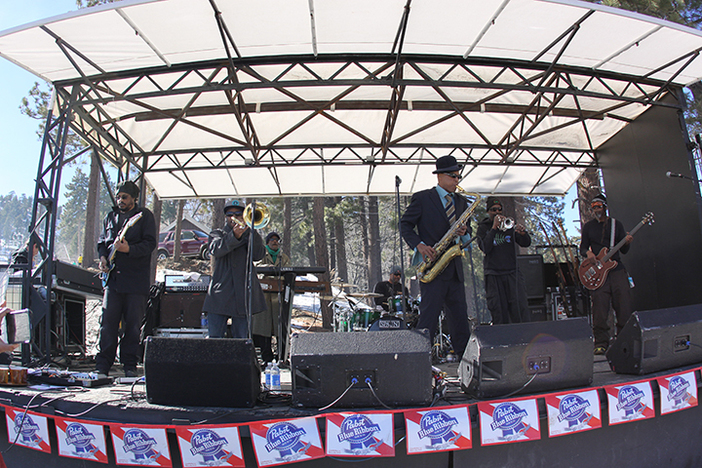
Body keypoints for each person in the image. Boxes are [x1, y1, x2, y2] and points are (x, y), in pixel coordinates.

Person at [400, 155, 472, 359]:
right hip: (433, 267)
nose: (457, 181)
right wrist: (420, 246)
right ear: (439, 176)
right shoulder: (423, 198)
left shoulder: (462, 201)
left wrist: (464, 231)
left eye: (459, 176)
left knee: (460, 321)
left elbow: (469, 233)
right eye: (453, 176)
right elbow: (405, 225)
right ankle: (419, 362)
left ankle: (466, 363)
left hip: (455, 268)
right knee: (428, 319)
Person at [96, 181, 157, 377]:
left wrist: (129, 249)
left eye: (124, 197)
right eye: (118, 196)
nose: (120, 200)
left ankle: (129, 365)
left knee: (132, 326)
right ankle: (103, 364)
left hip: (135, 282)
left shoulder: (144, 216)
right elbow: (102, 242)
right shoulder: (110, 217)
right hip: (113, 281)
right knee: (108, 324)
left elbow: (150, 244)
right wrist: (103, 258)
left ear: (134, 198)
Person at [203, 200, 266, 339]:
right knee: (215, 340)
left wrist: (251, 231)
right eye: (230, 214)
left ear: (244, 216)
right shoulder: (217, 234)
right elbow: (216, 249)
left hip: (243, 297)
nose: (234, 217)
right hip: (219, 297)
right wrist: (234, 236)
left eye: (238, 214)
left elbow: (259, 255)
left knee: (241, 341)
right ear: (226, 217)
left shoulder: (250, 234)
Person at [580, 193, 633, 355]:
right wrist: (588, 255)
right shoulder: (588, 227)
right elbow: (583, 248)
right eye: (593, 206)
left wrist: (627, 243)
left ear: (605, 207)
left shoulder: (616, 225)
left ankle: (624, 339)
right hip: (598, 272)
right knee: (600, 309)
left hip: (616, 270)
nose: (596, 209)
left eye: (599, 206)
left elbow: (623, 250)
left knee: (623, 306)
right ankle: (601, 342)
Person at [476, 196, 532, 325]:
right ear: (488, 211)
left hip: (512, 272)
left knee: (520, 308)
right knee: (499, 312)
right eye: (494, 210)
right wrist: (494, 228)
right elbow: (485, 247)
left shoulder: (508, 225)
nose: (497, 213)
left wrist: (523, 234)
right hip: (494, 274)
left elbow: (525, 243)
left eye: (499, 210)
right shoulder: (483, 228)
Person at [253, 231, 290, 364]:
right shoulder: (261, 255)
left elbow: (289, 271)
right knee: (264, 329)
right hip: (263, 298)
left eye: (277, 240)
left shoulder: (283, 257)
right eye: (272, 240)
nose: (275, 242)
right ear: (267, 242)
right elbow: (255, 266)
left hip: (279, 299)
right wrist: (266, 268)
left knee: (280, 328)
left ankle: (281, 357)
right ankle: (266, 358)